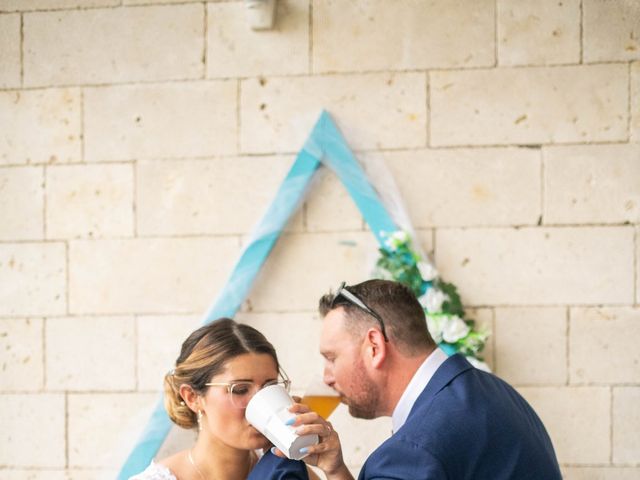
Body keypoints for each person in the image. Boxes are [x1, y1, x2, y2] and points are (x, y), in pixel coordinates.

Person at [270, 279, 563, 479]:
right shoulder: (489, 389)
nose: (327, 377)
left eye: (332, 358)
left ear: (374, 347)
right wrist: (334, 469)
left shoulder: (411, 454)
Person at [129, 318, 317, 480]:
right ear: (193, 397)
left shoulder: (283, 469)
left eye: (269, 387)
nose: (259, 402)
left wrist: (333, 468)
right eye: (240, 389)